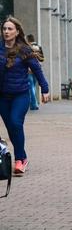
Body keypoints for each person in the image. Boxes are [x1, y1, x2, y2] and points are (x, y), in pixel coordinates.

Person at [0, 16, 49, 174]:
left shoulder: (24, 50)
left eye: (10, 29)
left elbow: (36, 69)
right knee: (11, 129)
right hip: (2, 96)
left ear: (17, 32)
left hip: (20, 95)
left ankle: (19, 160)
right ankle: (23, 156)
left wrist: (45, 89)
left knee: (15, 122)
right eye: (4, 29)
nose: (6, 32)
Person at [26, 34, 44, 110]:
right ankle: (34, 103)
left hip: (29, 70)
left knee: (31, 87)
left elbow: (26, 59)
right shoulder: (39, 47)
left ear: (28, 39)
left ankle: (34, 104)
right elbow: (42, 59)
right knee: (33, 86)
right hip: (37, 69)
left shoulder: (27, 47)